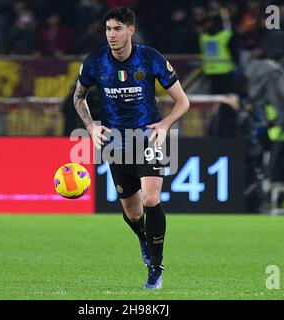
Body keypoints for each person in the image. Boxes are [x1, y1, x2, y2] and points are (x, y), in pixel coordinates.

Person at [73, 7, 190, 289]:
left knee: (151, 200)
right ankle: (144, 239)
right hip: (115, 143)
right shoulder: (95, 62)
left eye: (117, 29)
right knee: (133, 214)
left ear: (130, 31)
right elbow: (79, 97)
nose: (111, 35)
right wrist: (90, 126)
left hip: (148, 138)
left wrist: (164, 125)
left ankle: (156, 266)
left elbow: (183, 102)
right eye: (108, 29)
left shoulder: (150, 59)